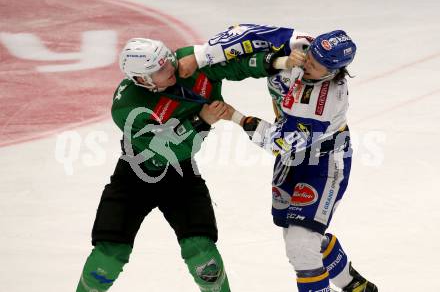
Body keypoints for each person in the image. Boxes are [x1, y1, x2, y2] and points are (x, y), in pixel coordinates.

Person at [75, 37, 284, 292]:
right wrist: (201, 120)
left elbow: (234, 65)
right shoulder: (128, 106)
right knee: (107, 256)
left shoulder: (188, 62)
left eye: (168, 61)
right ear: (142, 80)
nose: (171, 69)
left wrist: (274, 62)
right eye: (160, 70)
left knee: (203, 257)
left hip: (181, 174)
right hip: (135, 176)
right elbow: (163, 152)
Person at [181, 24, 379, 292]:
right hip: (291, 157)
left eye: (317, 65)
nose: (308, 63)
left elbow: (280, 143)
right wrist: (200, 56)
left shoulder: (324, 103)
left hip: (323, 160)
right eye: (310, 56)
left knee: (300, 244)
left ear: (333, 72)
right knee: (300, 237)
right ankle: (355, 286)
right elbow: (247, 34)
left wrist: (236, 117)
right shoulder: (299, 44)